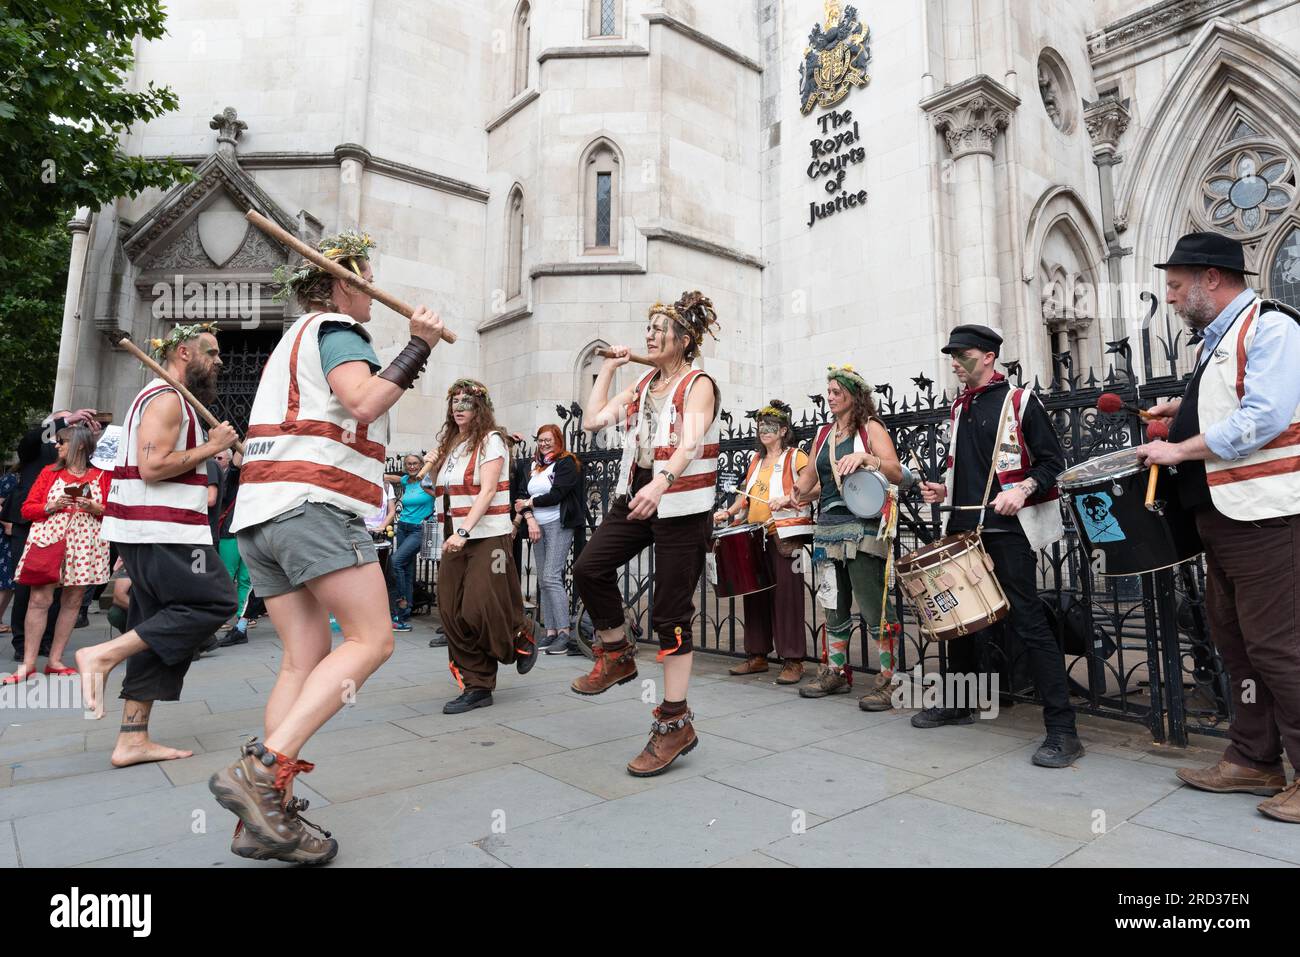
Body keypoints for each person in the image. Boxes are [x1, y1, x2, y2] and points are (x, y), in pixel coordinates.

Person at [208, 229, 445, 864]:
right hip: (310, 507)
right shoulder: (339, 329)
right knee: (374, 639)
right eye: (365, 280)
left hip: (259, 516)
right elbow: (363, 398)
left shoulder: (291, 341)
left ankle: (267, 812)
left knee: (302, 656)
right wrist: (418, 344)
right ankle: (263, 771)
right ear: (344, 283)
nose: (372, 295)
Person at [1137, 231, 1300, 824]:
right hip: (1225, 516)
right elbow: (1233, 402)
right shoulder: (1220, 339)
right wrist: (1180, 412)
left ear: (1211, 278)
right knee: (1237, 646)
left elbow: (1264, 417)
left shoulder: (1273, 326)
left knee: (1280, 647)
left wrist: (1178, 453)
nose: (1172, 299)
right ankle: (1254, 758)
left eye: (1177, 286)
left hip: (1267, 513)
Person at [917, 324, 1083, 768]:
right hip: (964, 528)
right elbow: (967, 470)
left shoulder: (1021, 402)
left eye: (962, 354)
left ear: (989, 356)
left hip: (1008, 530)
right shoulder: (959, 407)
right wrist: (943, 493)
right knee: (962, 621)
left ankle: (1063, 731)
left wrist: (1022, 490)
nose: (954, 361)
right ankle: (961, 702)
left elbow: (1053, 464)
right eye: (952, 354)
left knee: (1029, 621)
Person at [571, 291, 721, 776]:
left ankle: (674, 722)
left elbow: (690, 441)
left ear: (683, 340)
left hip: (680, 504)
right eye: (648, 328)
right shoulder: (642, 384)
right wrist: (611, 369)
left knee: (670, 615)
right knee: (589, 567)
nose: (650, 335)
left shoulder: (699, 384)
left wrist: (662, 482)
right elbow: (593, 420)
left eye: (660, 330)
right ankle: (616, 652)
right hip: (635, 493)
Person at [76, 324, 239, 770]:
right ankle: (101, 655)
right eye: (212, 352)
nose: (220, 361)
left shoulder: (170, 397)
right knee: (216, 601)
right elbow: (152, 467)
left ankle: (132, 738)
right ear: (183, 353)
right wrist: (211, 447)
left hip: (152, 531)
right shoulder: (167, 398)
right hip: (165, 531)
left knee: (153, 624)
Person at [770, 369, 902, 710]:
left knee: (873, 605)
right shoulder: (824, 435)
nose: (829, 396)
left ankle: (890, 680)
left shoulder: (871, 428)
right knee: (834, 603)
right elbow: (809, 482)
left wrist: (868, 458)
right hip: (828, 529)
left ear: (853, 395)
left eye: (836, 391)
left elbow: (897, 472)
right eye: (827, 390)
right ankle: (836, 672)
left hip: (864, 528)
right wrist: (790, 497)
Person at [426, 380, 537, 714]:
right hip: (453, 534)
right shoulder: (452, 444)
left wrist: (463, 530)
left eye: (467, 402)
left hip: (487, 535)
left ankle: (522, 632)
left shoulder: (492, 441)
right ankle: (477, 686)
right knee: (450, 611)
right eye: (455, 402)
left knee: (477, 607)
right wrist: (432, 468)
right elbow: (439, 493)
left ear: (480, 408)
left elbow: (488, 491)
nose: (459, 408)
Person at [715, 399, 812, 684]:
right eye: (760, 426)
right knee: (754, 595)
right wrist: (729, 512)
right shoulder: (756, 460)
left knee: (787, 597)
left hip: (785, 536)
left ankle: (793, 660)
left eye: (770, 426)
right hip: (755, 536)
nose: (764, 431)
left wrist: (791, 498)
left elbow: (813, 487)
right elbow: (744, 496)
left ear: (784, 430)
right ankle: (757, 656)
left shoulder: (797, 457)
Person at [5, 425, 111, 682]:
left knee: (73, 601)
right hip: (49, 541)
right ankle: (28, 664)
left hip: (84, 544)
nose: (57, 445)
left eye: (62, 442)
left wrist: (96, 507)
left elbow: (113, 513)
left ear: (80, 445)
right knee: (39, 600)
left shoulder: (100, 476)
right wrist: (50, 506)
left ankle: (55, 660)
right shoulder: (49, 473)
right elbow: (28, 509)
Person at [514, 424, 584, 655]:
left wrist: (529, 503)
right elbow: (521, 496)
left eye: (548, 440)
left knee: (552, 577)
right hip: (537, 526)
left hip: (558, 524)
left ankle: (564, 631)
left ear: (558, 440)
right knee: (543, 580)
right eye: (540, 440)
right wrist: (529, 516)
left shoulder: (566, 463)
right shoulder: (532, 466)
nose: (544, 443)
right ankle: (551, 631)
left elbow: (557, 495)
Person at [384, 453, 435, 632]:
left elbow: (442, 495)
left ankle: (400, 604)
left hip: (418, 529)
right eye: (408, 464)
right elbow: (392, 477)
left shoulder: (427, 480)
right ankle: (406, 610)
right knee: (406, 567)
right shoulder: (406, 481)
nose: (412, 466)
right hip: (403, 527)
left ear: (421, 464)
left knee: (395, 562)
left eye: (415, 463)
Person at [216, 450, 254, 648]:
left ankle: (243, 615)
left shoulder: (242, 475)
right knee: (226, 576)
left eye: (220, 458)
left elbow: (239, 460)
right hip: (228, 533)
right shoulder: (226, 476)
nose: (216, 461)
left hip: (247, 531)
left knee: (246, 578)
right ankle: (220, 615)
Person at [0, 466, 18, 634]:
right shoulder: (11, 479)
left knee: (10, 582)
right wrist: (7, 524)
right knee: (6, 581)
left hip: (12, 534)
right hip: (6, 535)